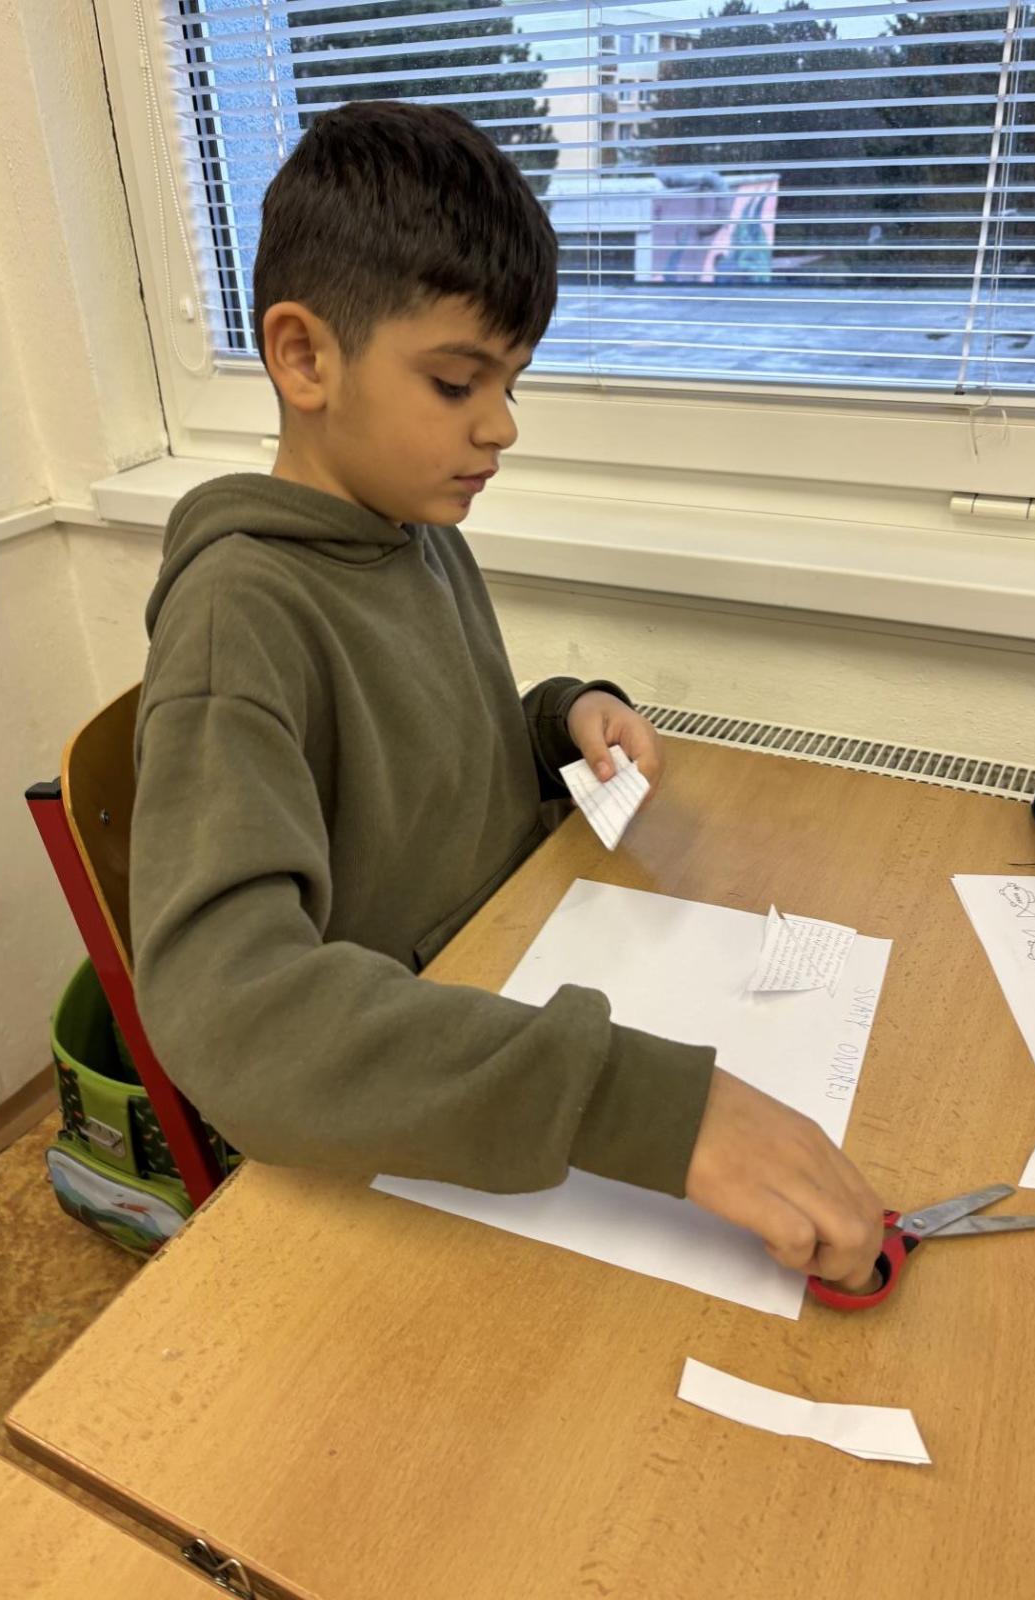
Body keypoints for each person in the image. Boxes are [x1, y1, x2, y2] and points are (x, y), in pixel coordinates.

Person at [129, 99, 883, 1290]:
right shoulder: (239, 617)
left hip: (514, 978)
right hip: (390, 1129)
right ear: (304, 356)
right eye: (456, 381)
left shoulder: (415, 531)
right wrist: (655, 1110)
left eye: (512, 381)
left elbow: (435, 759)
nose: (503, 426)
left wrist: (560, 720)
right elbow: (229, 1012)